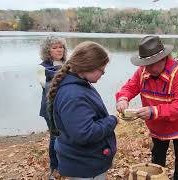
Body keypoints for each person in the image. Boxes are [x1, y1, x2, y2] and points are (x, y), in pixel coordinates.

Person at [115, 36, 178, 180]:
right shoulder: (142, 71)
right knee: (157, 160)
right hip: (157, 127)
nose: (150, 68)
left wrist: (154, 111)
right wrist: (123, 98)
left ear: (164, 58)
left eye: (153, 64)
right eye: (147, 64)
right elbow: (130, 86)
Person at [47, 41, 118, 179]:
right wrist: (112, 120)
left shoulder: (79, 82)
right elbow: (84, 134)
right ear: (88, 67)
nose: (103, 73)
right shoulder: (73, 95)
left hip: (84, 160)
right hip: (85, 166)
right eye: (102, 70)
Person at [37, 35, 67, 179]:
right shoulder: (40, 68)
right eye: (55, 47)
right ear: (48, 51)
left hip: (66, 107)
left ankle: (67, 164)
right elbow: (44, 84)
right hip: (50, 108)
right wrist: (62, 72)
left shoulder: (69, 64)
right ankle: (54, 168)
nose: (59, 50)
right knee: (55, 137)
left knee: (67, 135)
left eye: (61, 47)